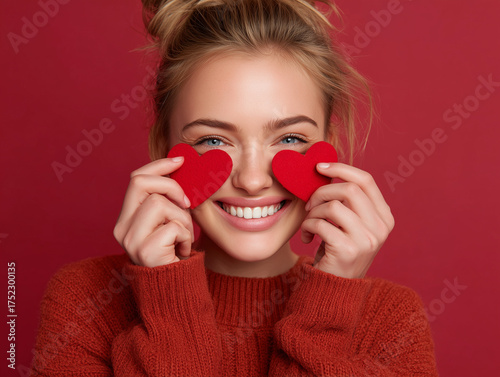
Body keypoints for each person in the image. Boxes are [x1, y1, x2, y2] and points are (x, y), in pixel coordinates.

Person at [30, 0, 439, 375]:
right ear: (162, 148)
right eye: (213, 140)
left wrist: (326, 310)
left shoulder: (392, 321)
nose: (252, 180)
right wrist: (169, 304)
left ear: (328, 147)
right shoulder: (85, 301)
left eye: (291, 138)